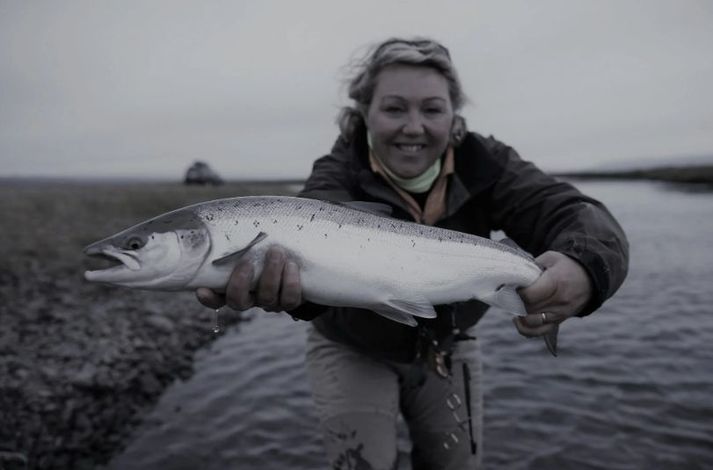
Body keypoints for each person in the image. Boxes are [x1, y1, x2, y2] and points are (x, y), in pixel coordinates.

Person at [196, 37, 629, 470]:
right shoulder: (336, 174)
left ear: (454, 115)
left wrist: (585, 267)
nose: (414, 126)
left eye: (432, 109)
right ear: (364, 112)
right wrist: (287, 288)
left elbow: (574, 213)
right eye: (395, 108)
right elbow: (307, 261)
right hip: (351, 346)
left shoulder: (487, 162)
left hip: (449, 344)